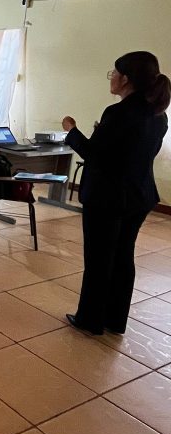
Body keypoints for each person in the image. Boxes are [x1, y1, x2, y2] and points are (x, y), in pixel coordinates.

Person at [62, 51, 170, 335]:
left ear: (126, 79)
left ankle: (90, 319)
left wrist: (72, 131)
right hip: (139, 195)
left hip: (107, 197)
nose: (111, 78)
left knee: (99, 259)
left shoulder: (118, 112)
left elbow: (95, 155)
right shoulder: (159, 115)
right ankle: (115, 319)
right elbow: (138, 153)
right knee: (123, 256)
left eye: (114, 73)